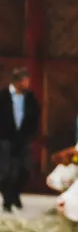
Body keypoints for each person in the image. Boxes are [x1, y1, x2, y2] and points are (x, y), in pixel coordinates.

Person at [0, 67, 40, 212]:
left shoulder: (29, 98)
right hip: (5, 139)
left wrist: (31, 134)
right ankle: (7, 200)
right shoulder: (3, 96)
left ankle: (15, 195)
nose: (28, 83)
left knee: (24, 170)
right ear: (17, 82)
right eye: (25, 80)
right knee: (7, 171)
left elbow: (35, 117)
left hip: (23, 139)